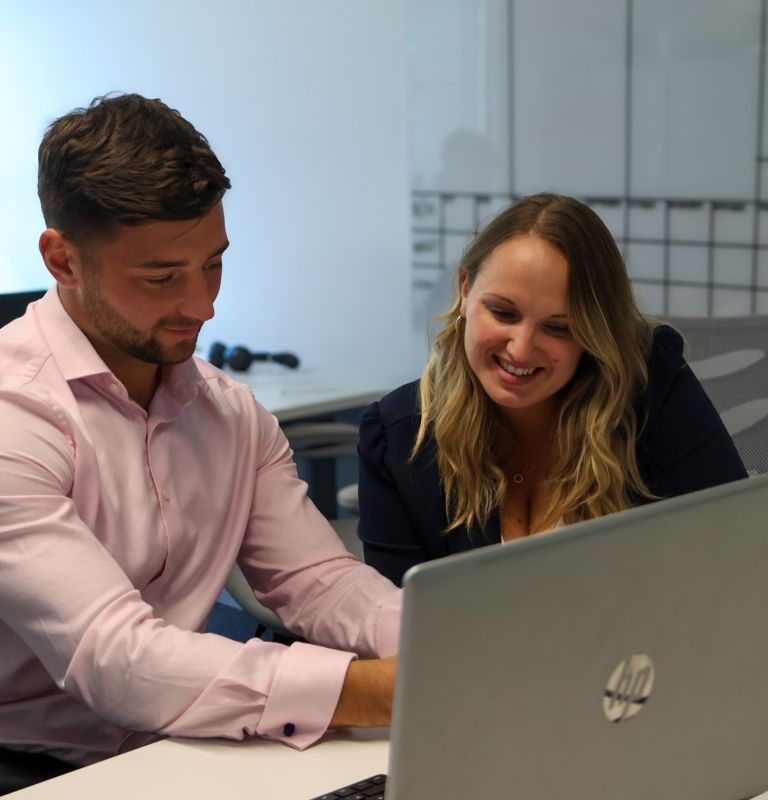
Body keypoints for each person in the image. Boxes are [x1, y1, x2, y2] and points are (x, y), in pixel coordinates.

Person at [0, 93, 400, 779]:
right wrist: (371, 691)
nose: (203, 305)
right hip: (28, 764)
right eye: (162, 277)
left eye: (213, 262)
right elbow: (114, 657)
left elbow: (315, 579)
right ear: (62, 260)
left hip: (172, 742)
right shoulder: (15, 419)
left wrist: (440, 645)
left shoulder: (230, 412)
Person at [357, 193, 748, 587]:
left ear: (595, 333)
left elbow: (734, 554)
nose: (521, 348)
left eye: (559, 328)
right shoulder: (400, 436)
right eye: (503, 313)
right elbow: (396, 623)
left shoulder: (648, 392)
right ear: (464, 290)